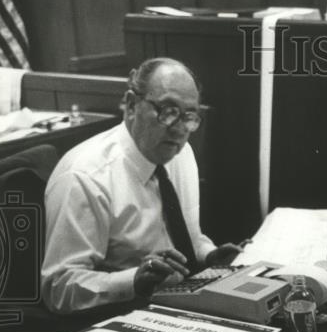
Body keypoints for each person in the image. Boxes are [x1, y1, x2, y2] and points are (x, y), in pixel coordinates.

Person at [41, 57, 241, 314]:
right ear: (132, 105)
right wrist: (134, 280)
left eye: (190, 116)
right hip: (118, 313)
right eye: (168, 112)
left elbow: (187, 236)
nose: (180, 129)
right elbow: (58, 287)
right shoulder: (84, 176)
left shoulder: (181, 154)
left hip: (183, 301)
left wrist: (209, 255)